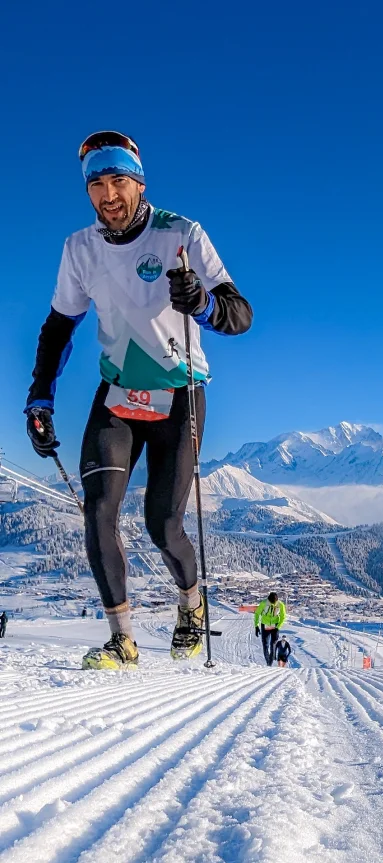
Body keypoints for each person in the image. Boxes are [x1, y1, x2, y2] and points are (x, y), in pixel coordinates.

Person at [25, 131, 252, 670]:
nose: (109, 194)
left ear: (139, 183)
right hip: (118, 392)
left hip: (179, 393)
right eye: (97, 184)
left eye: (118, 181)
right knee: (99, 510)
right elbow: (59, 327)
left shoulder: (182, 233)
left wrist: (200, 303)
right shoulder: (79, 249)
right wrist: (40, 398)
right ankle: (122, 641)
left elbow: (238, 314)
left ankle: (190, 606)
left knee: (162, 525)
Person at [254, 591, 286, 666]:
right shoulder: (264, 603)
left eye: (274, 603)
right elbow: (257, 613)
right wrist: (256, 626)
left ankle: (270, 664)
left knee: (273, 645)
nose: (273, 604)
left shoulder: (280, 605)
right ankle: (268, 662)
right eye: (271, 603)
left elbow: (283, 616)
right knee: (265, 645)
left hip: (275, 625)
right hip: (265, 625)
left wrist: (278, 627)